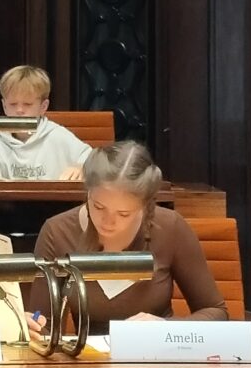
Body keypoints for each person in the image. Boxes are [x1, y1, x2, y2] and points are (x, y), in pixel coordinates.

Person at [27, 141, 227, 336]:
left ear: (144, 206)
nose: (108, 222)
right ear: (88, 192)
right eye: (98, 207)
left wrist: (165, 327)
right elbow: (43, 325)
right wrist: (30, 325)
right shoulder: (57, 231)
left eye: (124, 214)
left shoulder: (170, 228)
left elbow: (216, 312)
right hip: (87, 355)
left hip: (155, 350)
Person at [0, 65, 91, 180]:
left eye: (27, 104)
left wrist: (81, 167)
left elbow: (93, 161)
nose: (19, 110)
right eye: (13, 104)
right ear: (4, 106)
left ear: (43, 106)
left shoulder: (58, 135)